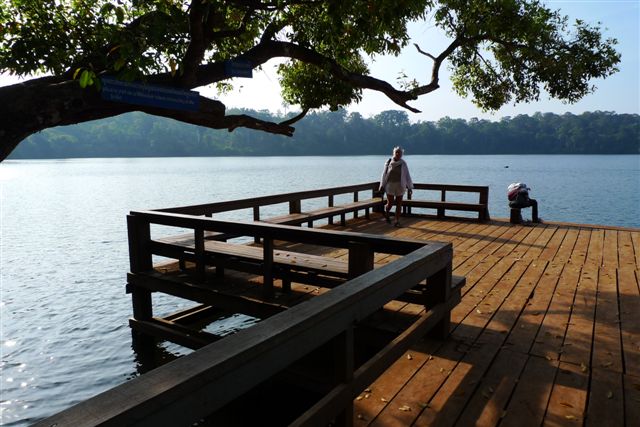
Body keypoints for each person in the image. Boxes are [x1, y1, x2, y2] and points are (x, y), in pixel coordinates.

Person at [379, 146, 413, 227]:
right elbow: (384, 175)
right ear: (393, 153)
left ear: (402, 154)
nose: (398, 154)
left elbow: (407, 176)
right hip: (390, 185)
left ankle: (396, 221)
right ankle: (387, 211)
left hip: (400, 185)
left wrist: (410, 187)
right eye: (396, 152)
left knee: (399, 204)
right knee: (390, 203)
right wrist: (381, 185)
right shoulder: (388, 162)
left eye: (400, 152)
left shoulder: (403, 163)